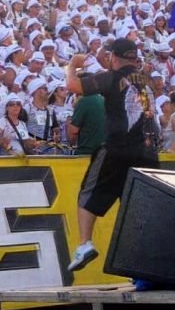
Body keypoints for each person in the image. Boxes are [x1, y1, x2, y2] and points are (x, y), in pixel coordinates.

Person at [65, 38, 160, 272]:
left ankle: (85, 244)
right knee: (137, 206)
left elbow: (74, 86)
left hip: (118, 149)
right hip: (148, 151)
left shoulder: (112, 77)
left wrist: (72, 65)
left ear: (113, 57)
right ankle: (144, 263)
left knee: (88, 194)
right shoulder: (147, 81)